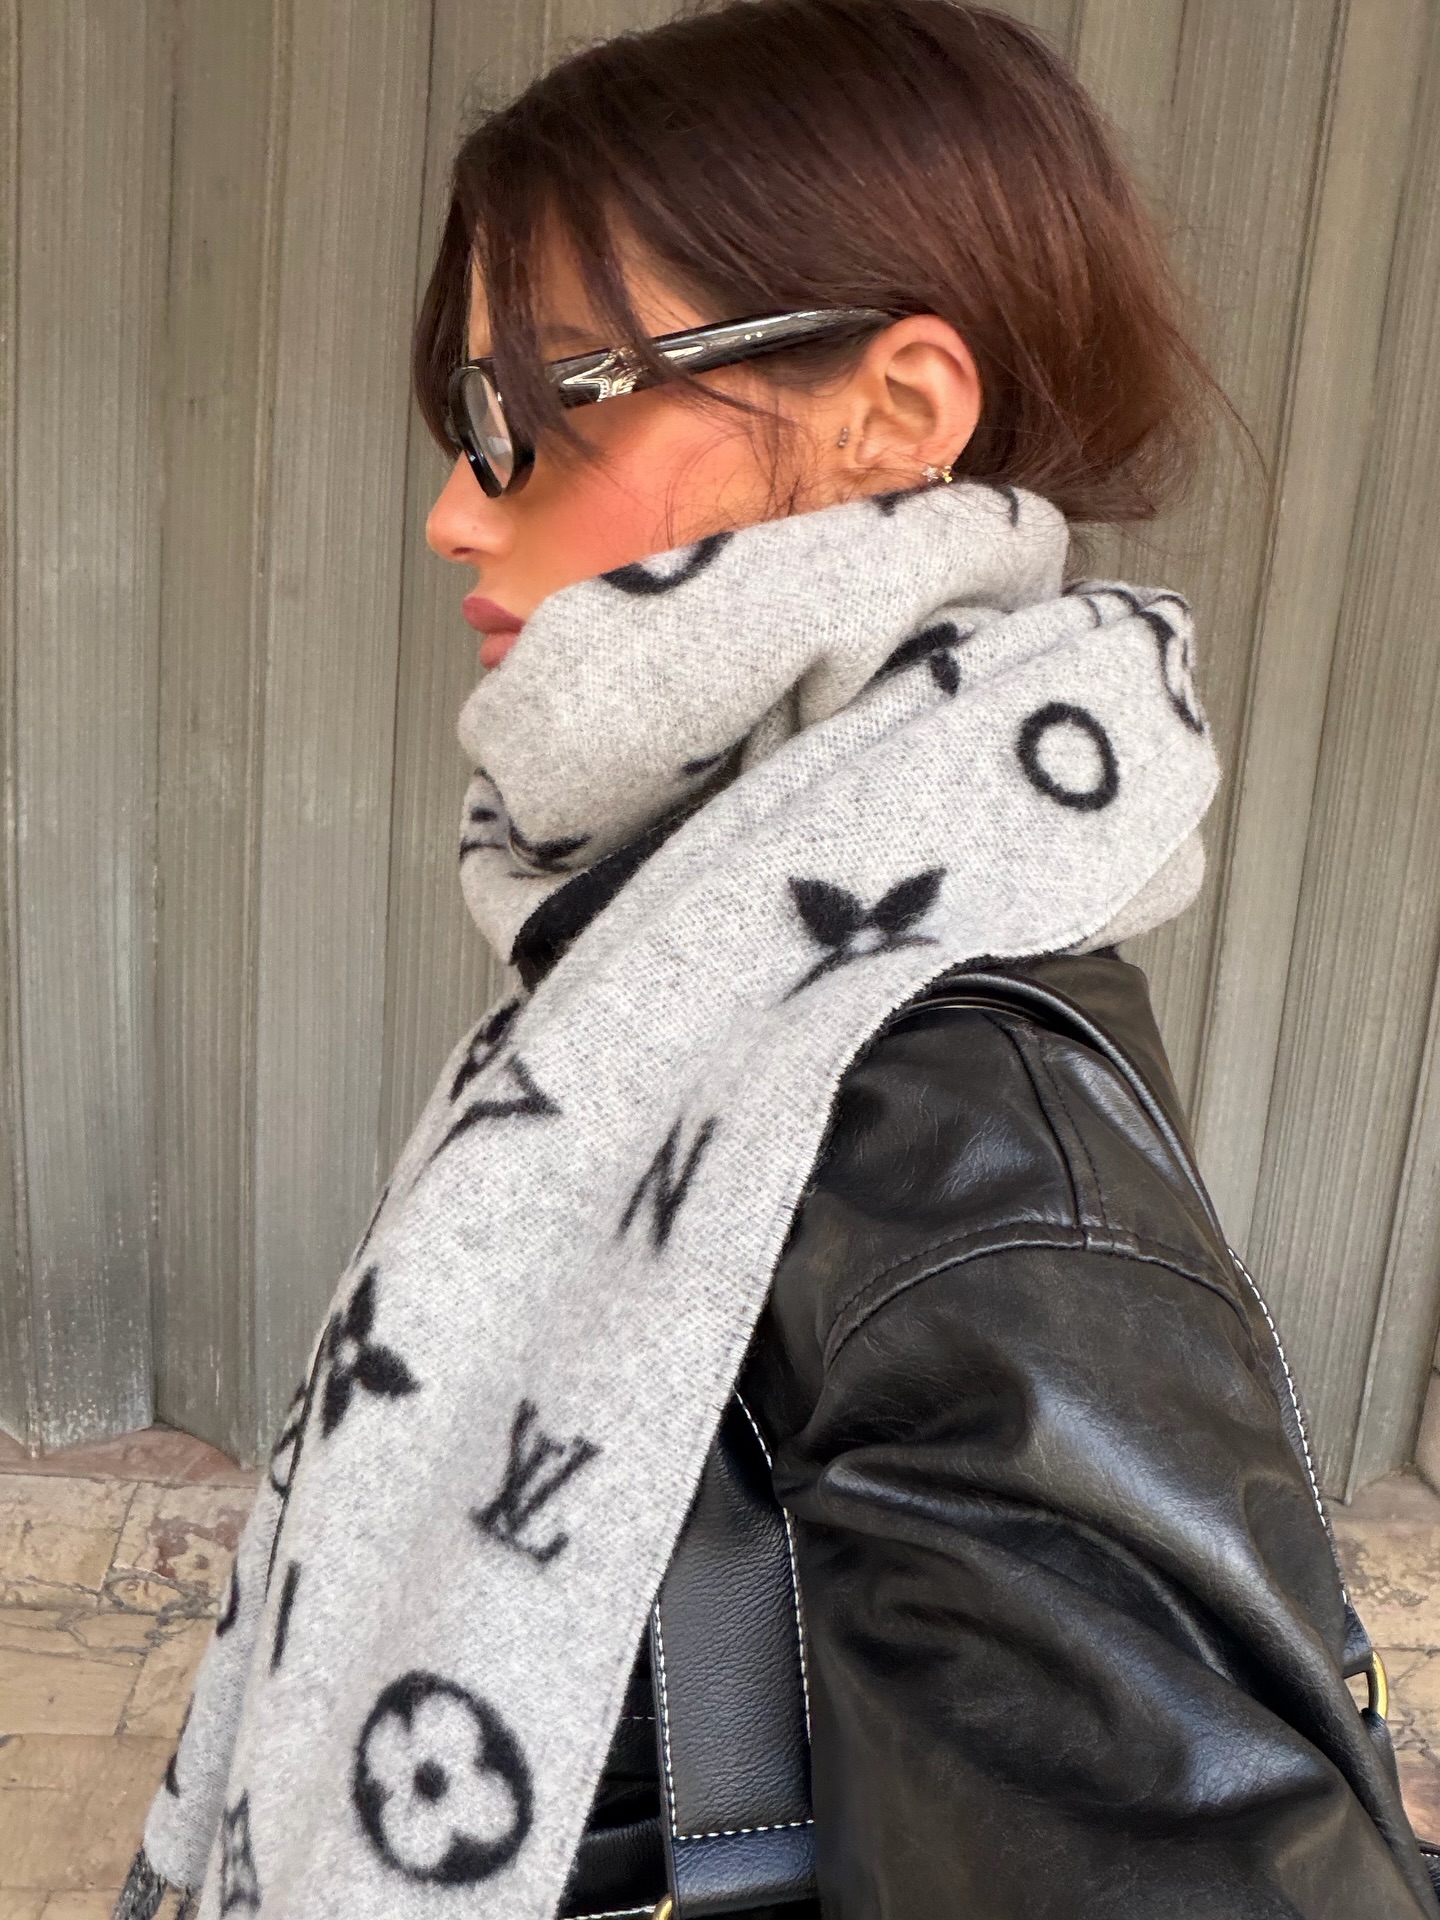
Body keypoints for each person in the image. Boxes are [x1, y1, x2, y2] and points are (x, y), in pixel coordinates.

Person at [119, 4, 1438, 1917]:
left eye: (530, 407)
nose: (453, 509)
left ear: (891, 419)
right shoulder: (705, 969)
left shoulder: (945, 1144)